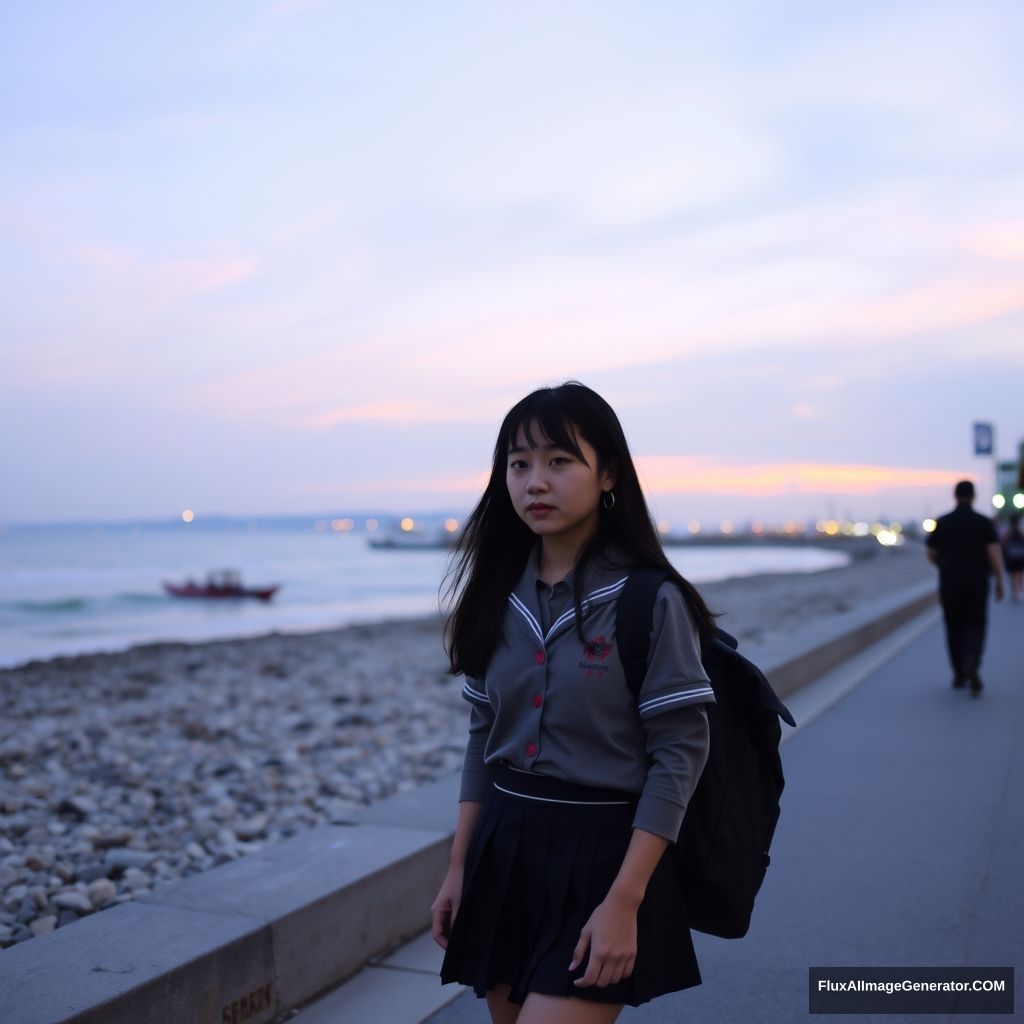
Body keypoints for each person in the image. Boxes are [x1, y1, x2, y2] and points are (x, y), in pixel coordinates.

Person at [431, 382, 716, 1024]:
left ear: (607, 472)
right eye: (519, 463)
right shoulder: (494, 595)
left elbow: (680, 756)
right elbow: (484, 736)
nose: (536, 482)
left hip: (605, 857)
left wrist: (626, 900)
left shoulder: (649, 600)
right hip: (503, 850)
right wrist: (458, 866)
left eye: (559, 461)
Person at [926, 480, 1005, 694]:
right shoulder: (983, 522)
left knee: (954, 626)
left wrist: (943, 566)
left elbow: (931, 553)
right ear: (973, 496)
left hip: (950, 582)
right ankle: (972, 658)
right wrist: (999, 581)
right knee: (976, 624)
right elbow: (994, 554)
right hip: (978, 581)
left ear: (955, 495)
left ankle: (959, 674)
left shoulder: (943, 522)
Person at [1001, 514, 1024, 602]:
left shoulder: (1008, 532)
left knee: (1013, 574)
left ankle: (1015, 591)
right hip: (1020, 555)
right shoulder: (1020, 531)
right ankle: (1018, 590)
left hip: (1011, 556)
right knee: (1019, 573)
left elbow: (1004, 543)